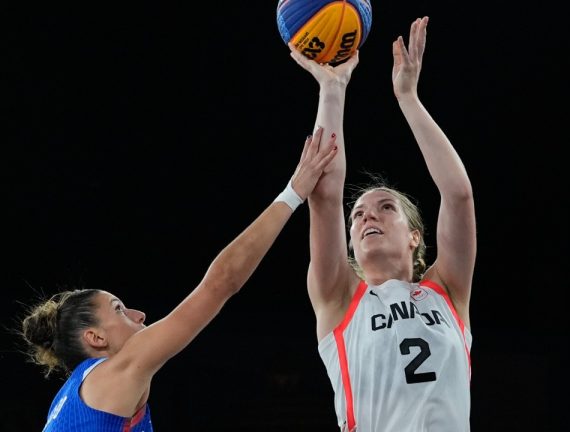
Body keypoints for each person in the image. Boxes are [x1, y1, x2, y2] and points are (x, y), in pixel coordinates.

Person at [18, 128, 338, 431]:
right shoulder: (114, 372)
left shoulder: (71, 398)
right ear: (95, 338)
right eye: (118, 310)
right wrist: (293, 193)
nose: (138, 314)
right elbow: (221, 282)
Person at [289, 16, 476, 431]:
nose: (367, 215)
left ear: (414, 237)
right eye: (357, 215)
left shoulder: (447, 292)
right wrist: (332, 88)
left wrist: (409, 97)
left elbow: (459, 195)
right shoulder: (339, 300)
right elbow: (324, 196)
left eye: (385, 207)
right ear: (350, 244)